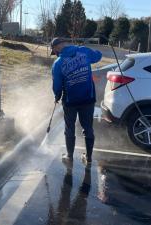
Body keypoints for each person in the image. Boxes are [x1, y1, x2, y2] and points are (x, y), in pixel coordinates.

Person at [51, 37, 102, 166]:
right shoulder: (83, 51)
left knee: (69, 128)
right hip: (88, 99)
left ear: (57, 47)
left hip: (70, 101)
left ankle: (69, 157)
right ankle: (89, 158)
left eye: (54, 51)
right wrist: (94, 51)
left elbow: (57, 86)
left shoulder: (58, 63)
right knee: (88, 127)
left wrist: (57, 96)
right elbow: (98, 56)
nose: (55, 54)